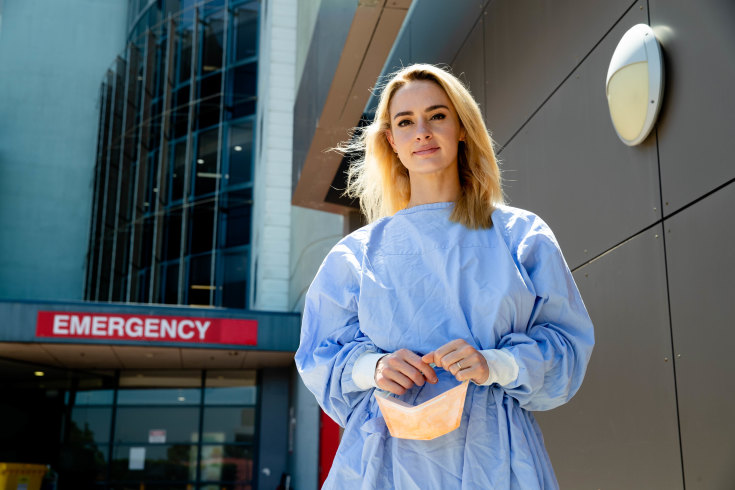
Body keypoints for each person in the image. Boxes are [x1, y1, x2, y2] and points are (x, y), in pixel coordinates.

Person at [294, 63, 594, 489]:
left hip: (497, 462)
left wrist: (495, 363)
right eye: (405, 122)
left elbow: (567, 349)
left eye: (437, 115)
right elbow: (318, 356)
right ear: (391, 142)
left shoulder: (520, 237)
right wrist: (373, 367)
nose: (422, 131)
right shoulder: (356, 255)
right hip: (382, 463)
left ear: (461, 129)